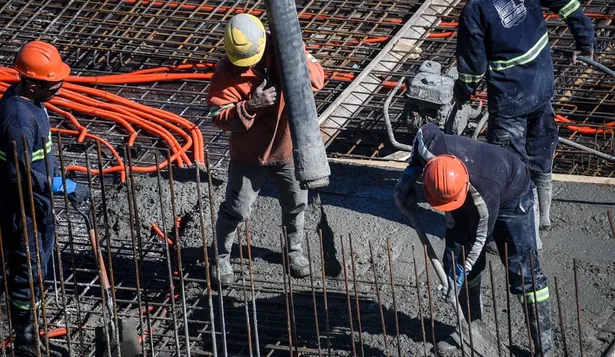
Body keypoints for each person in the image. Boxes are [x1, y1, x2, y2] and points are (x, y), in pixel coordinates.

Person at [394, 123, 553, 356]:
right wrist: (407, 178)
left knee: (524, 271)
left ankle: (544, 349)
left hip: (513, 195)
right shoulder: (431, 146)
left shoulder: (484, 198)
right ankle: (471, 329)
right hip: (466, 184)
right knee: (455, 254)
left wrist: (458, 275)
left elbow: (478, 243)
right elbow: (423, 132)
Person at [453, 0, 596, 232]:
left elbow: (473, 67)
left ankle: (527, 234)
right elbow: (566, 3)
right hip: (541, 82)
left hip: (510, 97)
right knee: (541, 145)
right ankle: (544, 216)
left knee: (510, 167)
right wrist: (585, 38)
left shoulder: (475, 9)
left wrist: (463, 91)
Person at [207, 13, 325, 287]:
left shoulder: (285, 50)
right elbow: (218, 116)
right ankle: (221, 257)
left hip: (286, 148)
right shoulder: (227, 71)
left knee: (296, 203)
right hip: (250, 155)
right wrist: (249, 106)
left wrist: (295, 57)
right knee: (236, 209)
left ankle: (293, 250)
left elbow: (317, 82)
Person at [0, 40, 89, 356]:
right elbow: (18, 174)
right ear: (32, 82)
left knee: (35, 268)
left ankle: (31, 332)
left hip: (36, 204)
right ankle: (26, 344)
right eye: (53, 83)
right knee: (28, 272)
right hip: (22, 209)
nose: (59, 87)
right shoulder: (19, 120)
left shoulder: (31, 102)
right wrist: (60, 185)